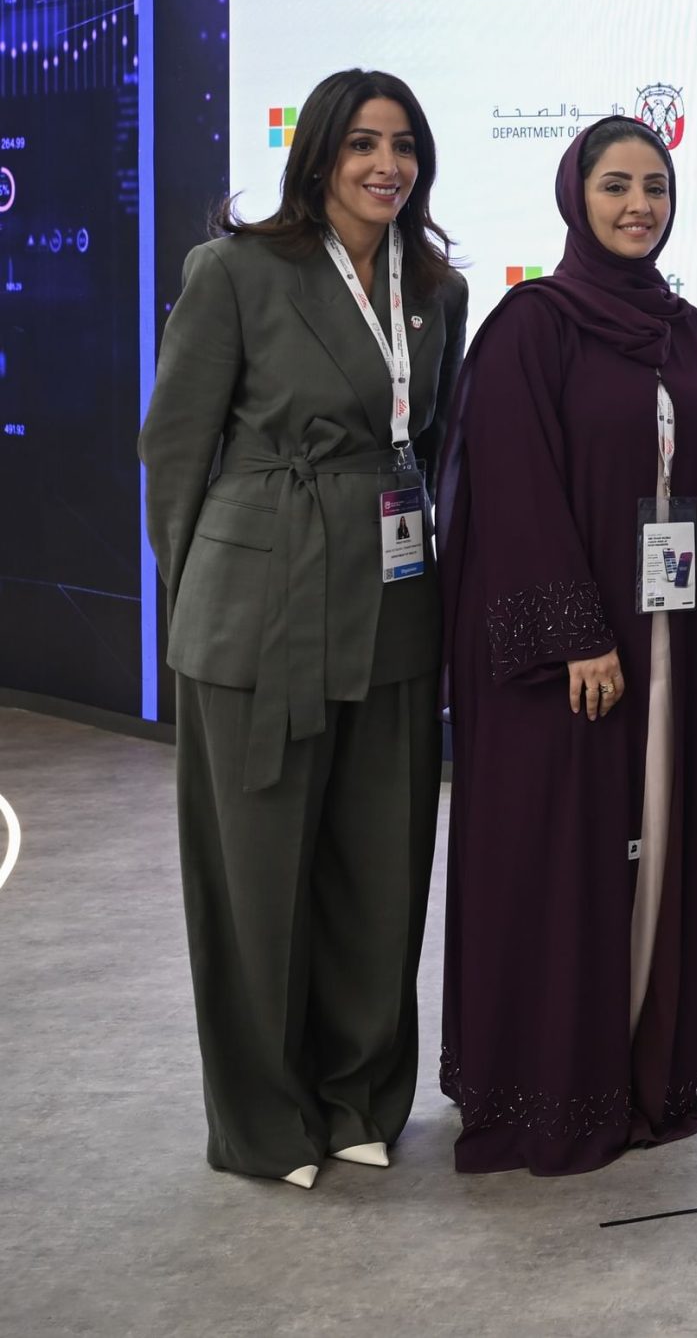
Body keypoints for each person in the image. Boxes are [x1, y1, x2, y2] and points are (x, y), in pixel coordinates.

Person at [139, 67, 468, 1188]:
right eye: (364, 143)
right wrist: (202, 599)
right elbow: (175, 449)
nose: (387, 165)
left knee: (381, 863)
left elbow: (436, 444)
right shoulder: (236, 271)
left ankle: (359, 1094)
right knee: (257, 873)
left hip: (393, 599)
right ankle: (265, 1119)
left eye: (404, 144)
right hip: (258, 606)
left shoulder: (435, 289)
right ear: (320, 153)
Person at [437, 115, 697, 1176]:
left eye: (655, 186)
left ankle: (645, 1060)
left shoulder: (691, 330)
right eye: (616, 184)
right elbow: (515, 486)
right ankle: (552, 1077)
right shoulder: (533, 325)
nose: (638, 205)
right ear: (575, 195)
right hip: (575, 659)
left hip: (672, 641)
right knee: (561, 856)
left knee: (660, 838)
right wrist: (575, 632)